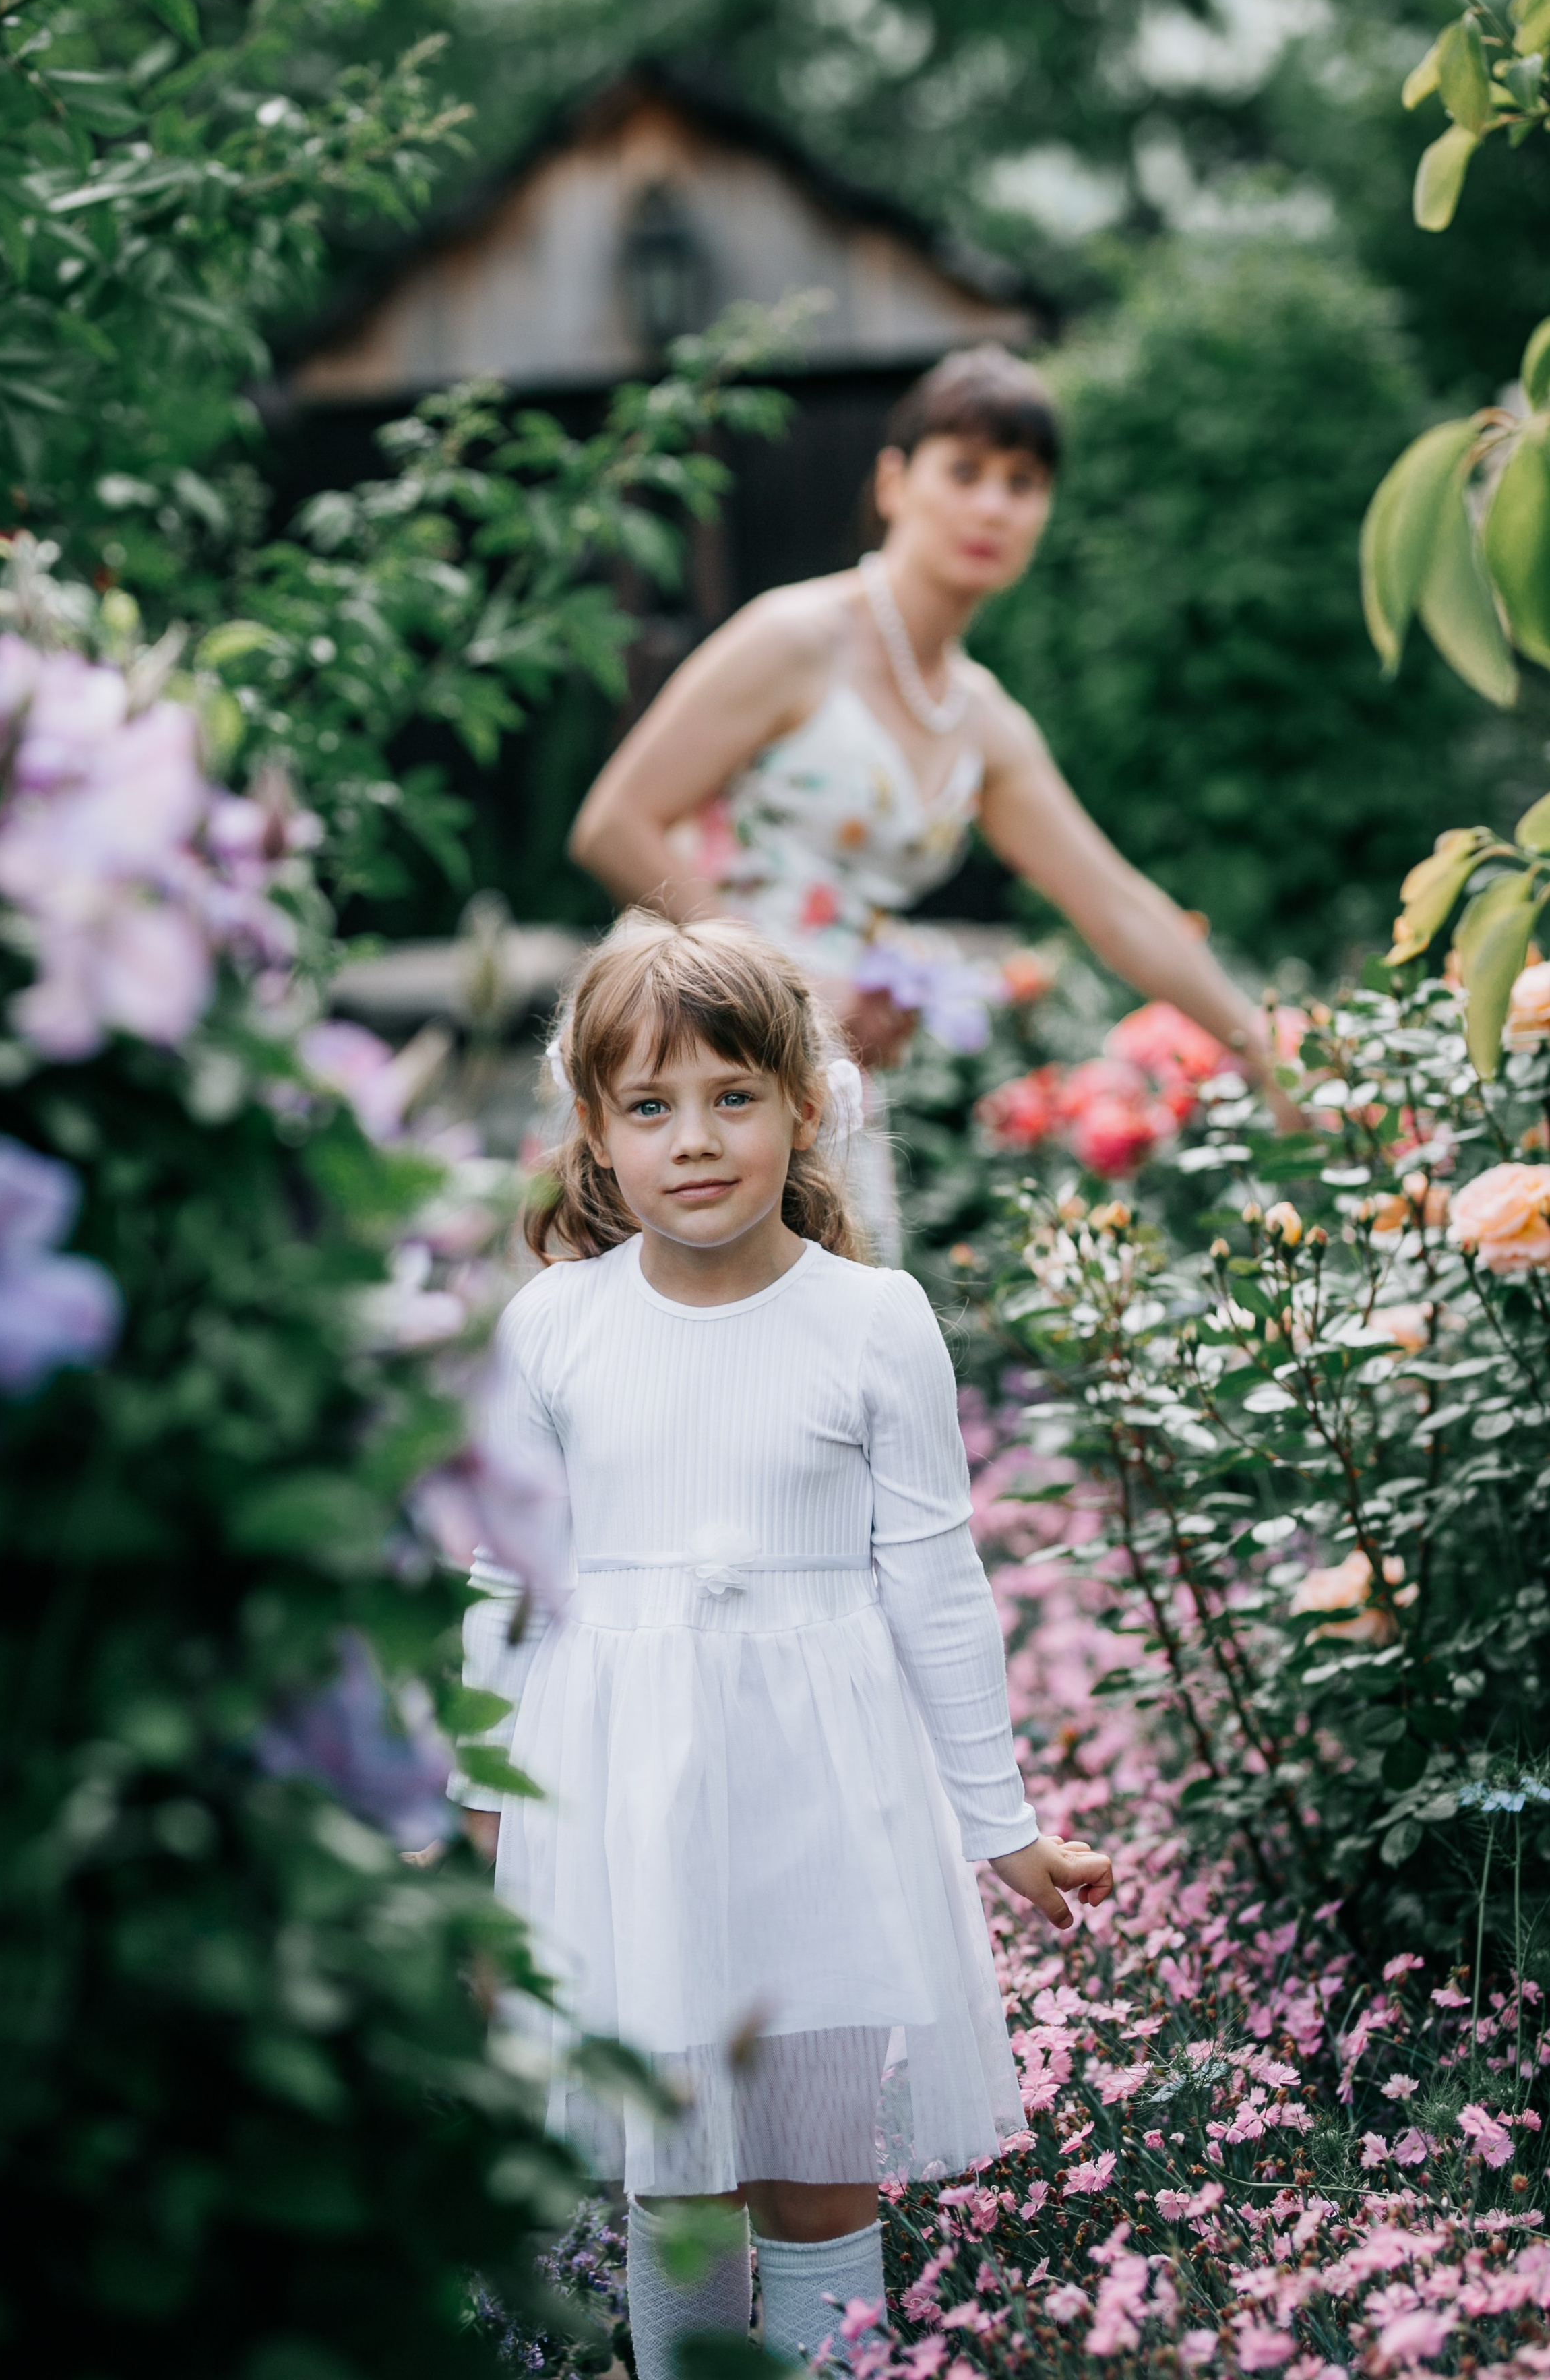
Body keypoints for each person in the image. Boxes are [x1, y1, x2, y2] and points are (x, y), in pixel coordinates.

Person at [454, 915, 1112, 2377]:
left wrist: (1003, 1834)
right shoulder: (552, 1329)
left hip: (819, 1802)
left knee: (817, 2166)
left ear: (803, 1107)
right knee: (675, 2172)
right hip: (630, 1807)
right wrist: (485, 1828)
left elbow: (937, 1587)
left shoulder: (870, 1324)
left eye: (732, 1097)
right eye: (650, 1105)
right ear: (595, 1133)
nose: (694, 1139)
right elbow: (500, 1583)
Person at [567, 344, 1293, 1118]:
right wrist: (784, 994)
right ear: (893, 482)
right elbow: (612, 827)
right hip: (687, 1057)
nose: (992, 506)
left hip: (825, 1085)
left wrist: (1265, 1052)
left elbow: (1117, 907)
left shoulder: (984, 724)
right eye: (964, 471)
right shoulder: (795, 639)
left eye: (1023, 483)